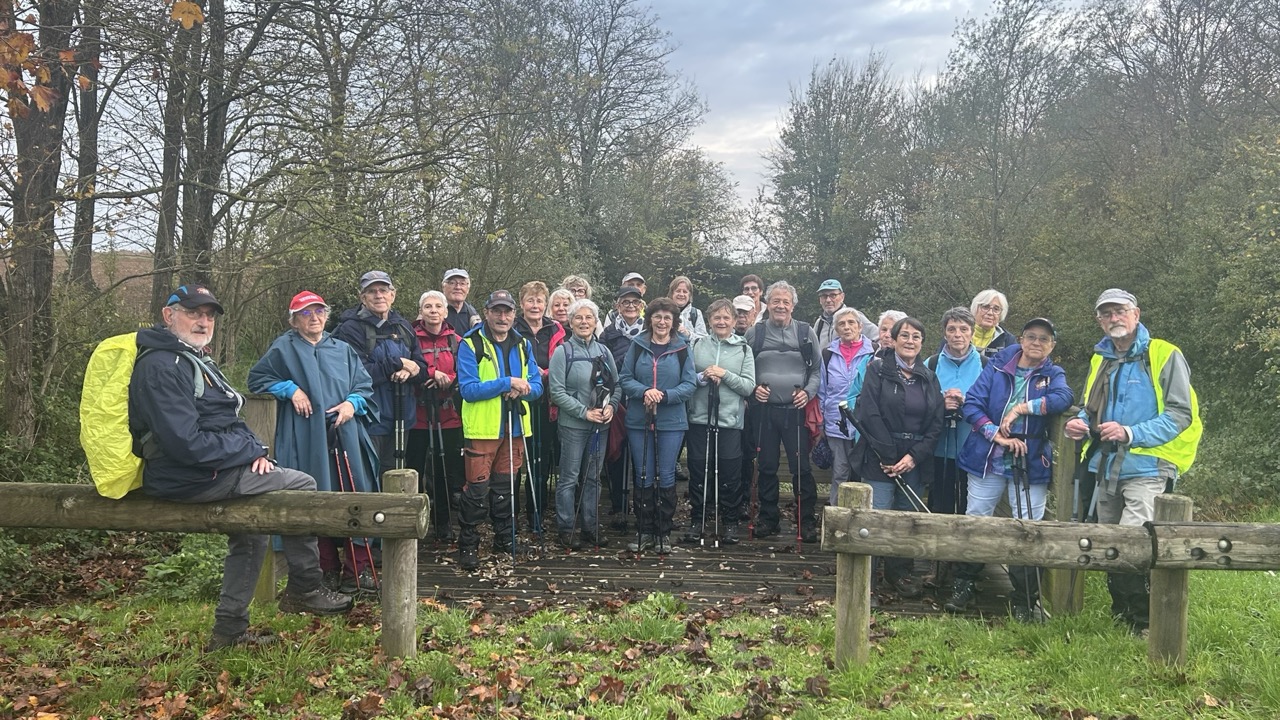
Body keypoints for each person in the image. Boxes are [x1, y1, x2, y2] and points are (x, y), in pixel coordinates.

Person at [130, 285, 352, 652]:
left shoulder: (191, 358)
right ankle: (305, 587)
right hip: (188, 477)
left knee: (253, 527)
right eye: (193, 313)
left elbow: (226, 419)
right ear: (169, 315)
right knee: (301, 484)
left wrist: (255, 450)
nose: (203, 322)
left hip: (207, 470)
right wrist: (247, 453)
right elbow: (185, 444)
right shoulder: (162, 367)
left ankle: (229, 631)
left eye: (209, 316)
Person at [1064, 289, 1201, 636]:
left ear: (1136, 314)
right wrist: (1078, 422)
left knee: (1133, 540)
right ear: (1099, 321)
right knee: (1112, 540)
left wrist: (1130, 433)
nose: (1114, 318)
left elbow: (1180, 414)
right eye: (1106, 313)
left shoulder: (1164, 354)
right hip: (1106, 465)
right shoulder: (1101, 359)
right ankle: (1122, 613)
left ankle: (1144, 620)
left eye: (1120, 311)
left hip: (1149, 466)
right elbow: (1091, 408)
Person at [249, 291, 381, 595]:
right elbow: (258, 378)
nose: (314, 318)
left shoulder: (342, 349)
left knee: (356, 490)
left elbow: (363, 385)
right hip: (305, 435)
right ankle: (325, 569)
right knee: (314, 491)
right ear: (294, 320)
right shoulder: (283, 348)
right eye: (306, 313)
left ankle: (357, 570)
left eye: (319, 311)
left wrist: (352, 404)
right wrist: (290, 389)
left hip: (346, 433)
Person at [943, 318, 1072, 622]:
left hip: (1030, 462)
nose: (1036, 343)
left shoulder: (1053, 374)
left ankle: (1025, 598)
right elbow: (973, 404)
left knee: (1028, 529)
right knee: (977, 520)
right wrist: (995, 434)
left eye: (1044, 338)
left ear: (1052, 345)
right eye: (1031, 336)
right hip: (987, 458)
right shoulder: (998, 366)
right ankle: (965, 583)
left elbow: (1064, 398)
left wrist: (1022, 408)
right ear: (1021, 339)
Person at [849, 317, 944, 600]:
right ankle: (867, 579)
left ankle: (898, 573)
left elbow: (936, 422)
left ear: (922, 342)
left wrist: (913, 457)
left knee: (906, 519)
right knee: (875, 518)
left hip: (913, 459)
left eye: (916, 336)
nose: (910, 341)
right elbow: (868, 412)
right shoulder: (877, 370)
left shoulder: (929, 377)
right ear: (894, 338)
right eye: (905, 335)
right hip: (879, 456)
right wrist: (888, 455)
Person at [455, 290, 544, 570]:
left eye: (507, 311)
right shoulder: (470, 344)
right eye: (497, 311)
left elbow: (537, 388)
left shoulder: (523, 344)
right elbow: (468, 390)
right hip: (482, 430)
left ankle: (504, 538)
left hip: (515, 427)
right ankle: (468, 544)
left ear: (514, 314)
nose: (502, 317)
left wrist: (523, 388)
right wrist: (507, 383)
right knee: (477, 490)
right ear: (487, 312)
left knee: (506, 487)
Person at [745, 281, 822, 543]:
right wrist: (753, 389)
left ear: (793, 306)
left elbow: (816, 370)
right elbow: (743, 367)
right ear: (767, 304)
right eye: (775, 301)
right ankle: (768, 518)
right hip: (764, 411)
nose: (780, 306)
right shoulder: (755, 333)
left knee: (801, 467)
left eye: (785, 302)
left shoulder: (805, 332)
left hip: (795, 410)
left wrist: (808, 393)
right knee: (767, 466)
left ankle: (806, 521)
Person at [619, 297, 697, 553]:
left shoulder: (683, 348)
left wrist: (664, 396)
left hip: (672, 420)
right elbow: (625, 378)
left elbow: (689, 384)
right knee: (643, 473)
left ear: (673, 322)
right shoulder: (637, 345)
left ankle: (663, 533)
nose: (662, 322)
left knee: (666, 474)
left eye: (667, 318)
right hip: (638, 419)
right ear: (649, 319)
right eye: (657, 317)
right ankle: (644, 531)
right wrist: (644, 392)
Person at [333, 271, 428, 478]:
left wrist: (410, 370)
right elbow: (357, 375)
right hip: (369, 420)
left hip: (402, 418)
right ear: (362, 297)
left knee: (397, 477)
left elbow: (422, 370)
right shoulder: (350, 329)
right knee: (368, 477)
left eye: (383, 290)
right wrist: (397, 363)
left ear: (392, 295)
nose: (379, 295)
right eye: (372, 291)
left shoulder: (403, 327)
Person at [547, 298, 621, 549]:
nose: (584, 322)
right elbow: (556, 392)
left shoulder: (604, 352)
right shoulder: (563, 352)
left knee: (592, 478)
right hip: (573, 426)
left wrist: (611, 407)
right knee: (569, 478)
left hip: (601, 426)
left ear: (596, 321)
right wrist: (584, 412)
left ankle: (591, 527)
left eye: (589, 317)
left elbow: (616, 385)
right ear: (570, 322)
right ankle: (566, 529)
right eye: (578, 317)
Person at [684, 299, 756, 545]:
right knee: (698, 470)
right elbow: (687, 379)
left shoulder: (744, 349)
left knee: (729, 473)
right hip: (699, 418)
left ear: (734, 321)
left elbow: (748, 386)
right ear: (709, 320)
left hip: (729, 421)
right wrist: (703, 377)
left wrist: (724, 375)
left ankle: (730, 522)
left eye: (726, 318)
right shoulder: (696, 345)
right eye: (717, 317)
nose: (721, 322)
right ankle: (697, 520)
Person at [405, 290, 464, 543]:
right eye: (428, 306)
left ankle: (443, 523)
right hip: (418, 415)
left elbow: (466, 370)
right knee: (414, 469)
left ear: (445, 311)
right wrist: (430, 373)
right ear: (421, 311)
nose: (433, 310)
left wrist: (449, 379)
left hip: (448, 414)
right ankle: (413, 522)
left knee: (444, 471)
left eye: (438, 306)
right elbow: (406, 363)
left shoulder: (456, 340)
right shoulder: (409, 338)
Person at [514, 280, 567, 533]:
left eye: (539, 301)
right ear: (521, 303)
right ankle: (512, 514)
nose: (535, 305)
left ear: (545, 304)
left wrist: (548, 373)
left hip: (549, 401)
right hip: (519, 399)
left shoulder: (556, 329)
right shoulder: (513, 328)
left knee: (541, 458)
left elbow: (564, 358)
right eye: (530, 300)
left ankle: (537, 512)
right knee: (516, 458)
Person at [925, 307, 984, 516]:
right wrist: (940, 404)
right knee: (940, 505)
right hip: (939, 448)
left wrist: (965, 402)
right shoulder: (931, 364)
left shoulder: (986, 366)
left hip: (974, 449)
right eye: (951, 329)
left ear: (972, 332)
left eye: (963, 329)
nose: (957, 334)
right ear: (944, 333)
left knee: (969, 506)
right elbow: (918, 401)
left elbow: (995, 404)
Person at [819, 307, 875, 506]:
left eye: (851, 322)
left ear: (860, 326)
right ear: (836, 329)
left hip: (866, 423)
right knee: (840, 472)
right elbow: (822, 390)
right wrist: (821, 422)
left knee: (865, 473)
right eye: (841, 324)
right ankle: (836, 514)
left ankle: (864, 517)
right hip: (836, 422)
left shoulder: (873, 352)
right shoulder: (828, 354)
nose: (847, 327)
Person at [600, 285, 646, 527]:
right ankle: (618, 506)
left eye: (635, 302)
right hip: (616, 400)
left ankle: (641, 506)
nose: (630, 306)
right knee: (616, 453)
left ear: (641, 306)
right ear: (617, 305)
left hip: (641, 399)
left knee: (640, 455)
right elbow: (601, 365)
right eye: (625, 302)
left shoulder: (649, 331)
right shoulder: (608, 334)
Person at [813, 279, 876, 347]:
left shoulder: (854, 317)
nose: (828, 300)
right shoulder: (819, 323)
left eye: (833, 295)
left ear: (842, 297)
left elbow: (878, 337)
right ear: (820, 300)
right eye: (824, 296)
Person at [970, 289, 1016, 361]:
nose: (990, 313)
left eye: (996, 309)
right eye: (985, 307)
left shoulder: (1008, 341)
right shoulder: (959, 334)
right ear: (975, 309)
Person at [443, 268, 481, 335]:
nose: (458, 287)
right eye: (452, 283)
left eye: (462, 283)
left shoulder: (474, 317)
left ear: (468, 289)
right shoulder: (434, 314)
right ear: (443, 287)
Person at [669, 275, 707, 340]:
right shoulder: (664, 311)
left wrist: (688, 334)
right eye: (678, 291)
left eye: (685, 292)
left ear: (689, 295)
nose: (681, 294)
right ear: (672, 293)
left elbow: (704, 340)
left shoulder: (696, 314)